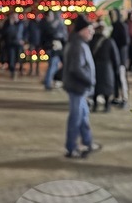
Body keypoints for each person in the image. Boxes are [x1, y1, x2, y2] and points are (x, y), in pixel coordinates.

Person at [62, 16, 100, 158]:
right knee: (76, 117)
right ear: (82, 30)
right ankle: (71, 148)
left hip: (79, 87)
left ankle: (88, 142)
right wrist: (89, 80)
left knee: (83, 116)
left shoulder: (79, 43)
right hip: (77, 86)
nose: (92, 32)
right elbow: (75, 68)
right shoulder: (77, 45)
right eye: (89, 30)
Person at [91, 21, 120, 113]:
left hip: (95, 66)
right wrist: (116, 68)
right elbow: (115, 56)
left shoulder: (91, 40)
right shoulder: (109, 41)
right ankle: (107, 105)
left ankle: (95, 105)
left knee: (96, 87)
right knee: (107, 87)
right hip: (107, 68)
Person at [108, 8, 130, 107]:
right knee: (116, 78)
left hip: (120, 58)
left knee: (121, 78)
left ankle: (124, 98)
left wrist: (121, 59)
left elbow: (124, 43)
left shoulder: (120, 26)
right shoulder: (116, 26)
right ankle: (117, 96)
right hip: (116, 58)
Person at [41, 10, 68, 90]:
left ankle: (48, 81)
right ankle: (47, 82)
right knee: (53, 65)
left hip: (56, 48)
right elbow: (50, 36)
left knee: (54, 65)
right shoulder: (47, 25)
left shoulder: (55, 25)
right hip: (52, 48)